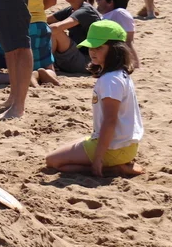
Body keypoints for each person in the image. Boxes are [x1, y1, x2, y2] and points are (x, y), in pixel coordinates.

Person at [44, 21, 143, 176]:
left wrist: (98, 158)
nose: (92, 52)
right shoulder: (119, 73)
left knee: (53, 161)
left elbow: (110, 121)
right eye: (91, 47)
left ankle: (113, 169)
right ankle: (114, 162)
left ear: (115, 50)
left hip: (114, 149)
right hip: (127, 146)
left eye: (99, 47)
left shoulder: (110, 80)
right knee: (64, 151)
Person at [48, 0, 100, 75]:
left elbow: (55, 28)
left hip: (87, 61)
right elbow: (45, 20)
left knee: (56, 32)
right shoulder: (71, 9)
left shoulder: (86, 11)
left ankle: (46, 65)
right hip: (74, 56)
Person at [96, 0, 139, 69]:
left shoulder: (120, 13)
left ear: (110, 2)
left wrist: (132, 64)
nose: (97, 1)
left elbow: (128, 40)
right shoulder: (111, 15)